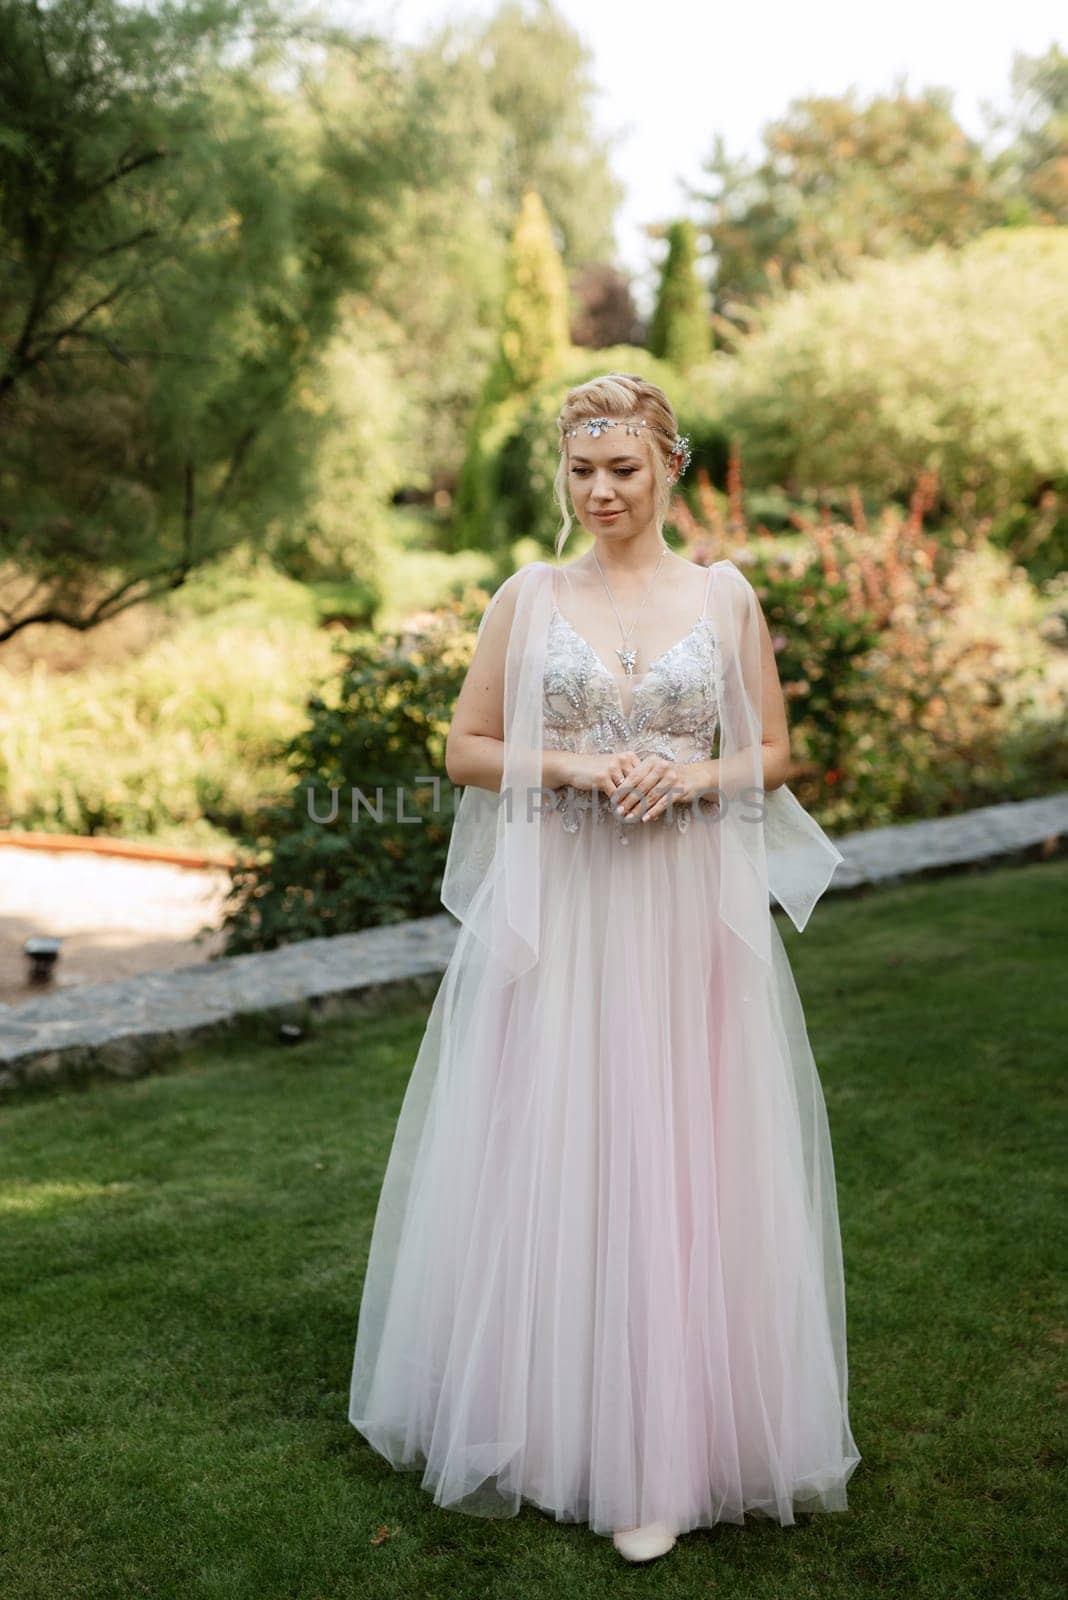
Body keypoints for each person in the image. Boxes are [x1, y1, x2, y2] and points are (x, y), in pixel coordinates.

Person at [348, 373, 860, 1562]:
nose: (600, 491)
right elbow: (464, 746)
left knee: (678, 1153)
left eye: (622, 468)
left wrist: (691, 776)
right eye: (582, 470)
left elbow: (776, 751)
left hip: (683, 909)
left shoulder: (724, 598)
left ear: (669, 466)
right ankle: (542, 1420)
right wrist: (578, 770)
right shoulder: (527, 597)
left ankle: (665, 1457)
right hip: (567, 908)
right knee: (559, 1144)